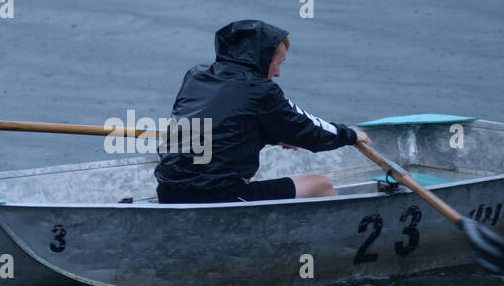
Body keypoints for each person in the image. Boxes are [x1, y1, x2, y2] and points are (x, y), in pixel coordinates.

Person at [154, 19, 371, 204]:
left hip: (167, 192)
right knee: (321, 185)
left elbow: (225, 124)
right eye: (277, 63)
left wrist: (273, 136)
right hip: (218, 197)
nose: (277, 73)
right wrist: (350, 135)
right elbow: (310, 130)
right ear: (261, 59)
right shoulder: (261, 90)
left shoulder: (196, 76)